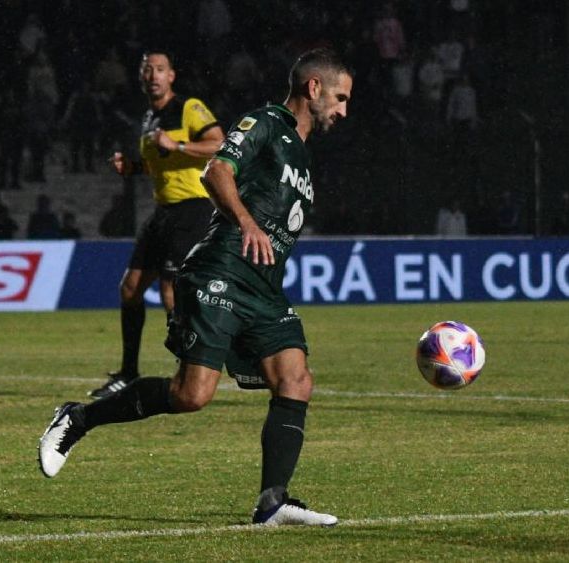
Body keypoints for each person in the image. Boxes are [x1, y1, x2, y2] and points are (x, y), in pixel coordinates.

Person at [39, 47, 353, 527]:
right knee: (192, 395)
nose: (343, 110)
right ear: (314, 89)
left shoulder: (302, 156)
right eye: (340, 97)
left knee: (297, 379)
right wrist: (246, 222)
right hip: (221, 269)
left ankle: (272, 502)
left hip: (264, 286)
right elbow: (216, 171)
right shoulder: (266, 122)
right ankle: (79, 418)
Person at [87, 50, 225, 399]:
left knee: (170, 291)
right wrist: (132, 168)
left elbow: (219, 143)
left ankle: (191, 371)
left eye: (160, 69)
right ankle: (128, 373)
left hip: (193, 208)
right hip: (164, 211)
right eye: (147, 69)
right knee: (130, 288)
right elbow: (160, 164)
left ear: (172, 76)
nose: (153, 75)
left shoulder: (189, 107)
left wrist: (177, 142)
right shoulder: (150, 118)